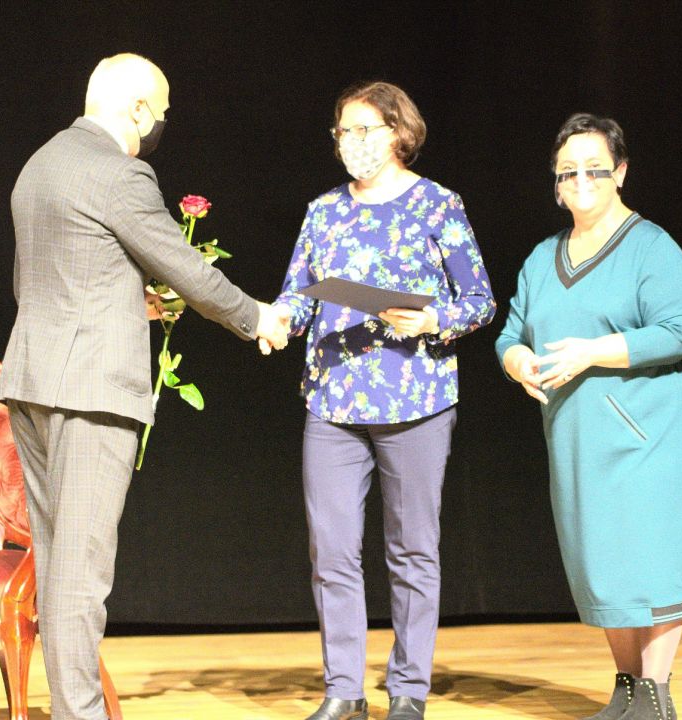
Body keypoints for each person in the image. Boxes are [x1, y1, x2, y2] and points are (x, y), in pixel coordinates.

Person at [0, 53, 288, 720]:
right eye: (160, 113)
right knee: (81, 577)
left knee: (58, 567)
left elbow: (39, 280)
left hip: (32, 381)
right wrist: (256, 317)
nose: (160, 126)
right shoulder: (121, 172)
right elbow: (183, 266)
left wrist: (127, 302)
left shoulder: (39, 163)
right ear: (137, 109)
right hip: (91, 391)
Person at [268, 81, 496, 720]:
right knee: (332, 550)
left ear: (399, 133)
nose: (352, 143)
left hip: (415, 398)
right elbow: (298, 294)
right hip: (333, 400)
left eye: (365, 129)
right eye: (344, 131)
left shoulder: (438, 205)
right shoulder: (323, 211)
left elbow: (480, 300)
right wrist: (277, 320)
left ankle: (408, 691)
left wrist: (433, 320)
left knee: (412, 551)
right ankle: (344, 690)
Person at [495, 113, 682, 720]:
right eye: (568, 171)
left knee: (652, 553)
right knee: (601, 557)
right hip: (578, 433)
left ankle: (656, 696)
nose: (581, 180)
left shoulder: (651, 247)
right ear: (556, 183)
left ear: (620, 172)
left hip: (651, 427)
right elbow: (511, 332)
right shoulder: (543, 258)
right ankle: (628, 689)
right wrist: (516, 361)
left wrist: (593, 352)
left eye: (594, 168)